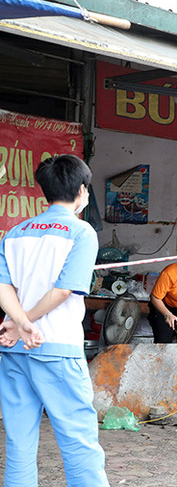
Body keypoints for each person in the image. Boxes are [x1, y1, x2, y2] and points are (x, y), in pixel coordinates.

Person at [0, 154, 109, 486]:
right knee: (79, 441)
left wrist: (18, 323)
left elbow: (3, 287)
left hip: (14, 349)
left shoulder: (15, 232)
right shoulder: (81, 232)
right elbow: (64, 290)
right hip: (57, 347)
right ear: (81, 190)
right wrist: (26, 322)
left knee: (18, 442)